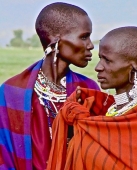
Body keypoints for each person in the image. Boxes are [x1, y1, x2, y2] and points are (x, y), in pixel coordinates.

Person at [47, 26, 137, 170]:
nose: (98, 67)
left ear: (133, 69)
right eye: (100, 58)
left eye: (107, 60)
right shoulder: (99, 107)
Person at [0, 2, 100, 170]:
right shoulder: (11, 92)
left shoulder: (89, 89)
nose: (90, 45)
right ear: (56, 40)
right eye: (84, 37)